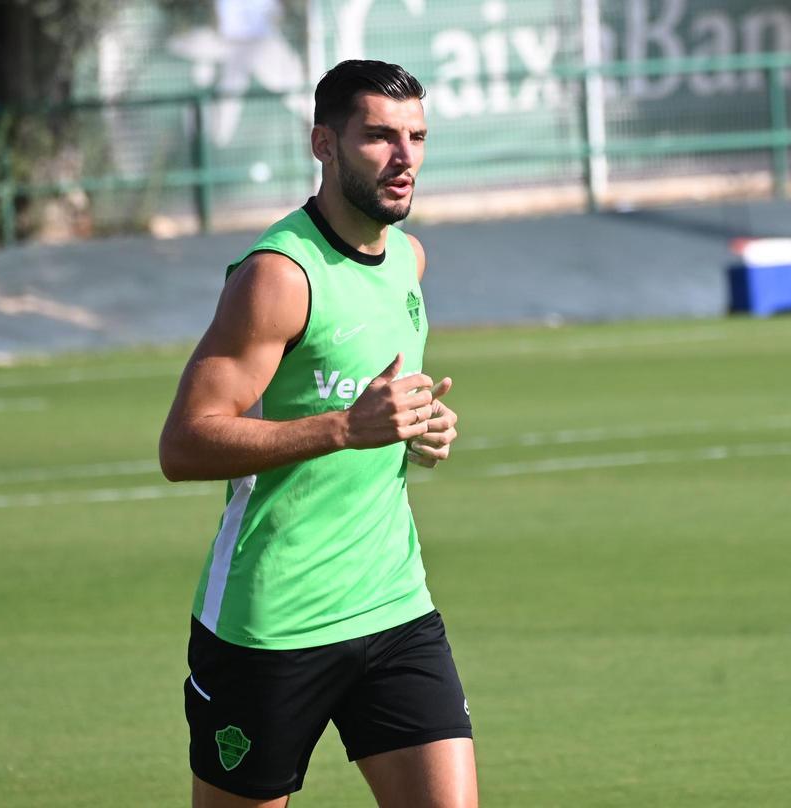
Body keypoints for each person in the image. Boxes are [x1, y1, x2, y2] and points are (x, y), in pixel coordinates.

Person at [159, 60, 475, 808]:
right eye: (379, 137)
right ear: (323, 145)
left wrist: (420, 429)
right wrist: (345, 428)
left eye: (417, 137)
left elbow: (382, 411)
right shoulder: (279, 274)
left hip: (394, 605)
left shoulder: (409, 259)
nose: (404, 158)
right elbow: (185, 444)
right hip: (272, 624)